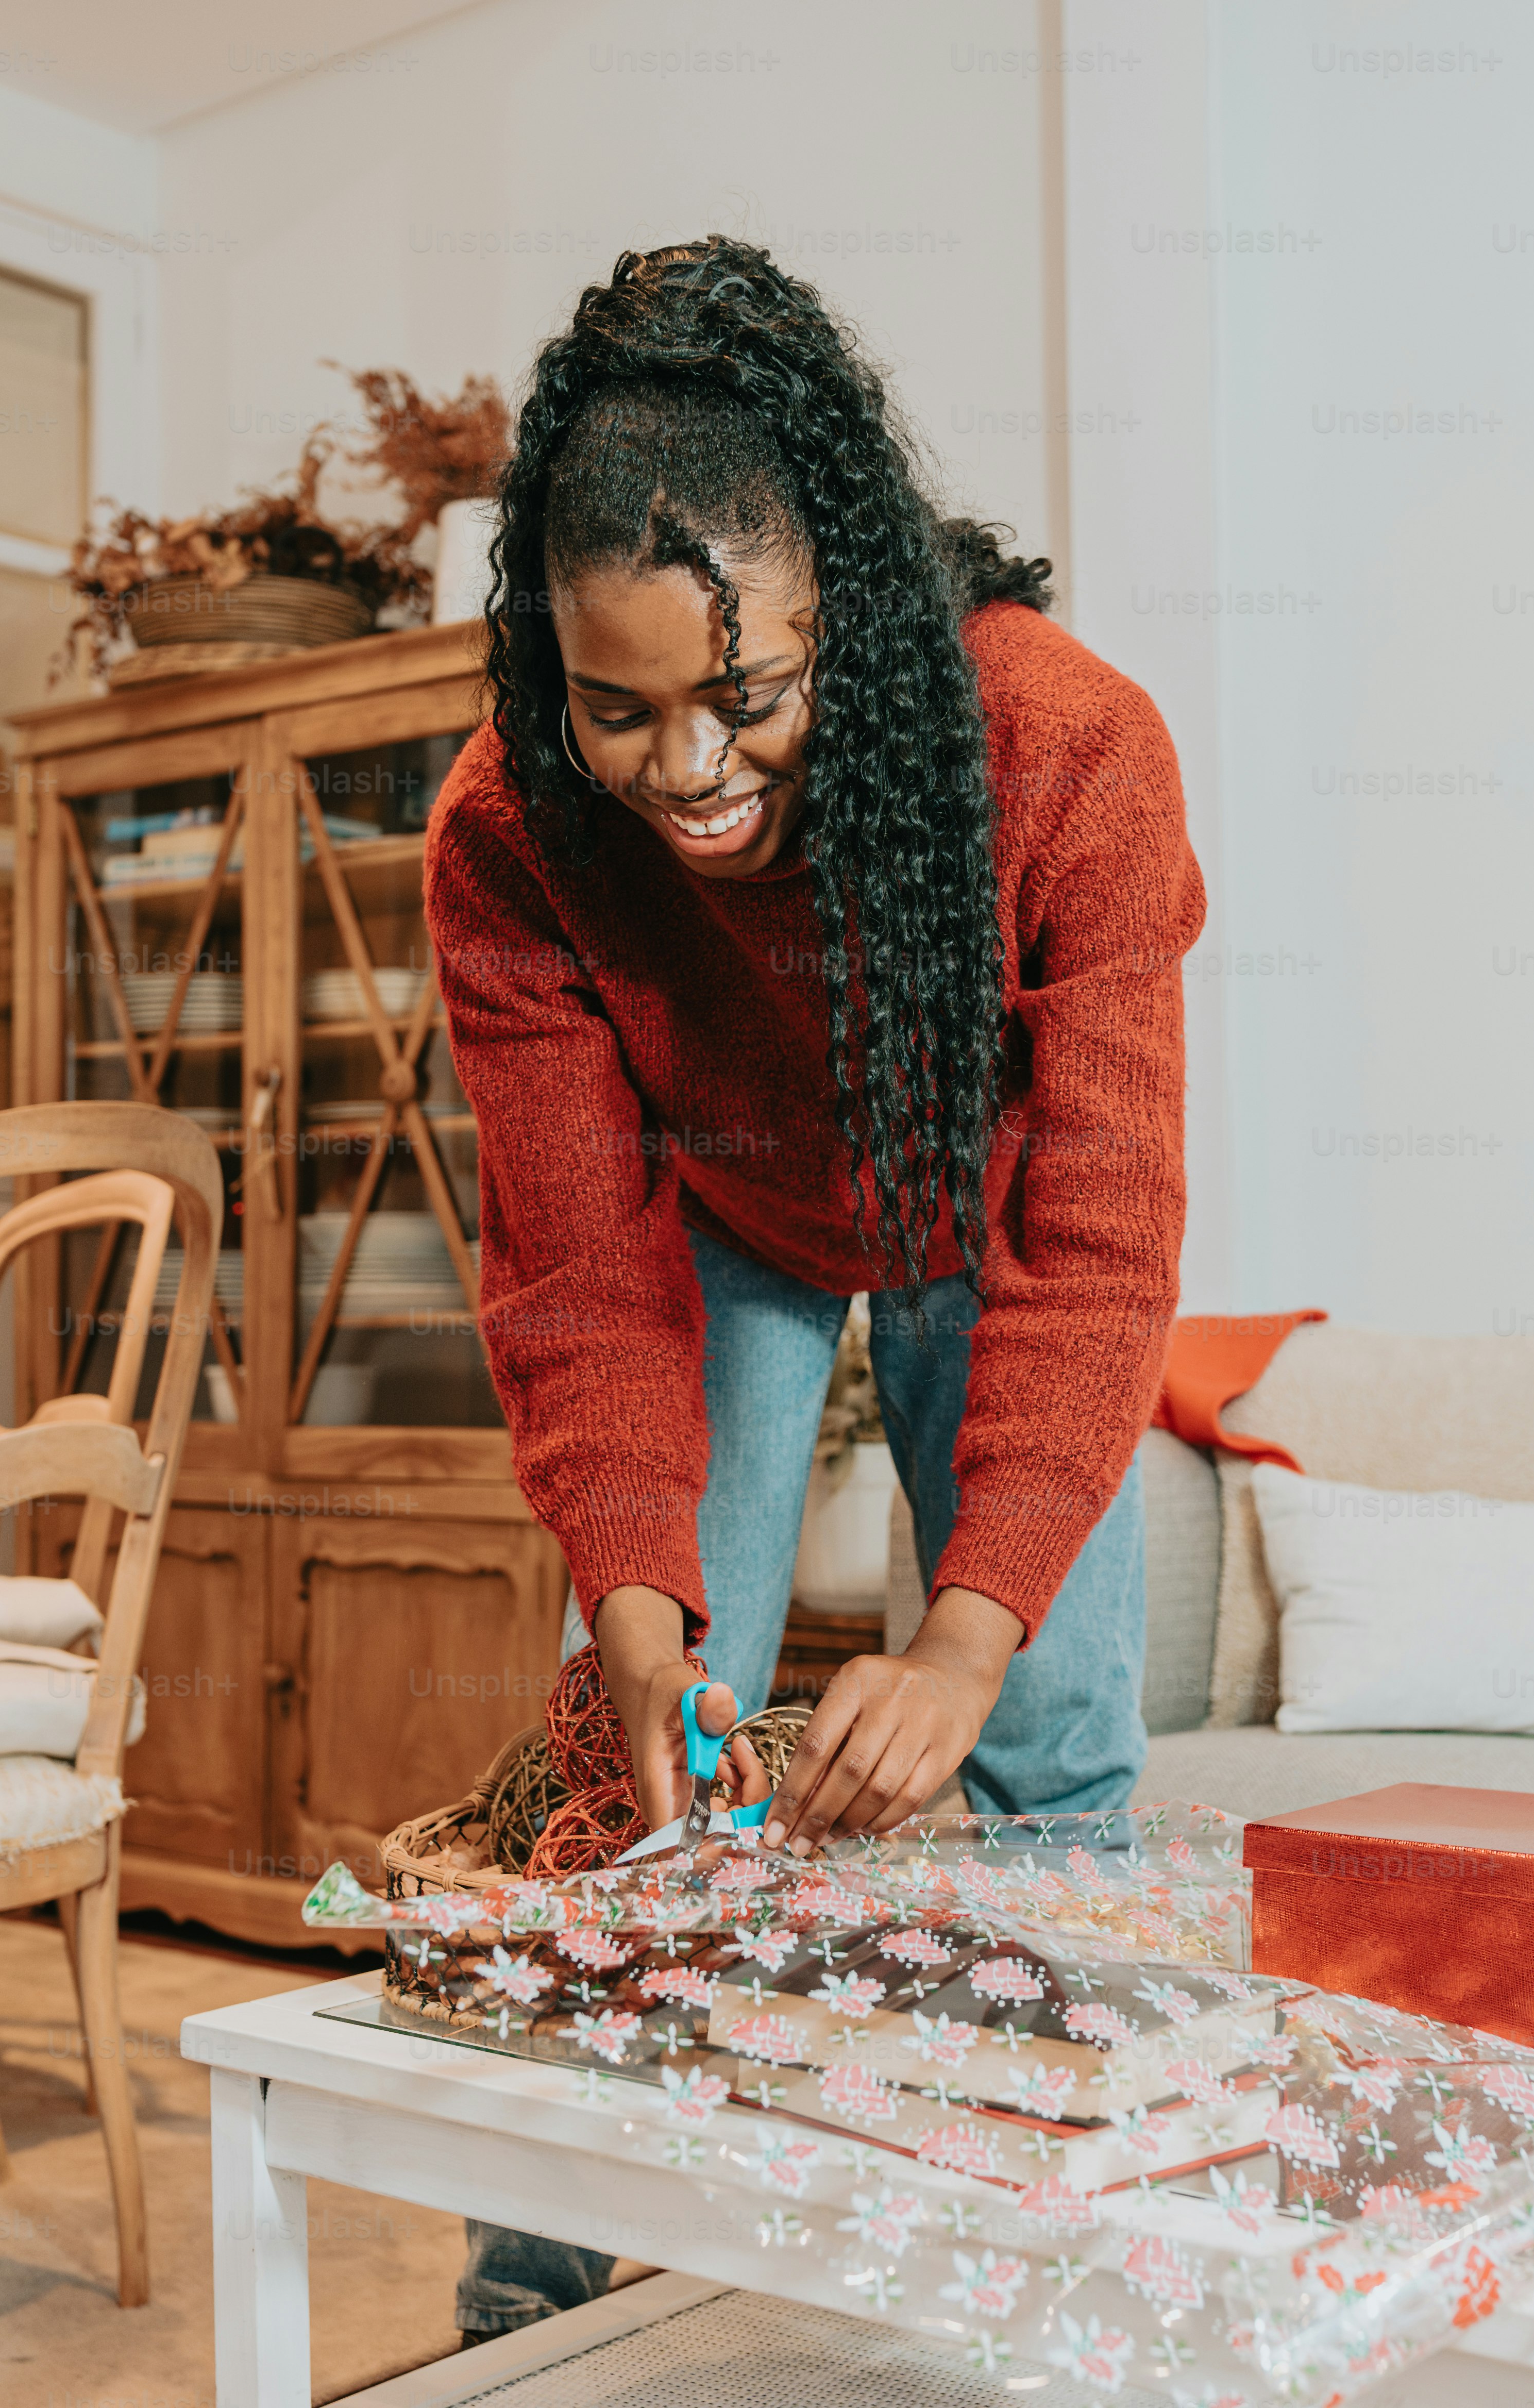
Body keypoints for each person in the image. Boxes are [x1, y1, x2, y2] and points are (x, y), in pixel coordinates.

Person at [423, 235, 1202, 2337]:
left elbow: (1102, 1239)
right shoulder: (510, 832)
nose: (683, 771)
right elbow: (577, 1278)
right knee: (635, 1749)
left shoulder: (1066, 750)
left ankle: (1061, 2266)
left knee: (1043, 1740)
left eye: (743, 695)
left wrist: (959, 1637)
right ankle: (536, 2299)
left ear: (842, 607)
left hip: (987, 1196)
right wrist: (642, 1611)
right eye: (621, 710)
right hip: (724, 1215)